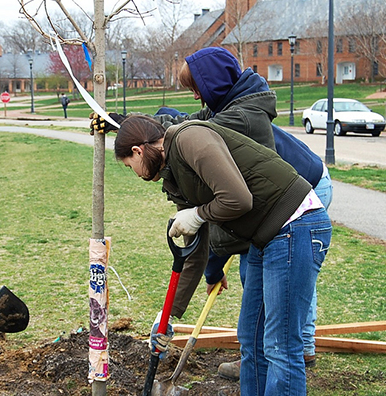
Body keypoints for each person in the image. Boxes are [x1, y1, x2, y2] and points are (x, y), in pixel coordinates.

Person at [92, 47, 332, 375]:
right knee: (259, 321)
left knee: (278, 302)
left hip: (302, 197)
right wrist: (169, 317)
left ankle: (297, 347)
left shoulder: (238, 117)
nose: (194, 98)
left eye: (197, 90)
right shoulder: (203, 127)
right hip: (264, 210)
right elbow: (201, 233)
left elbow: (230, 204)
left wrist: (205, 237)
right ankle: (266, 353)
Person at [114, 114, 332, 395]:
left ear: (138, 151)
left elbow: (238, 198)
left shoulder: (189, 138)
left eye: (132, 167)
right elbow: (193, 253)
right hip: (265, 237)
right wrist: (167, 316)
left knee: (280, 345)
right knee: (252, 340)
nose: (138, 175)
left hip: (296, 223)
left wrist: (199, 214)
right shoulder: (174, 177)